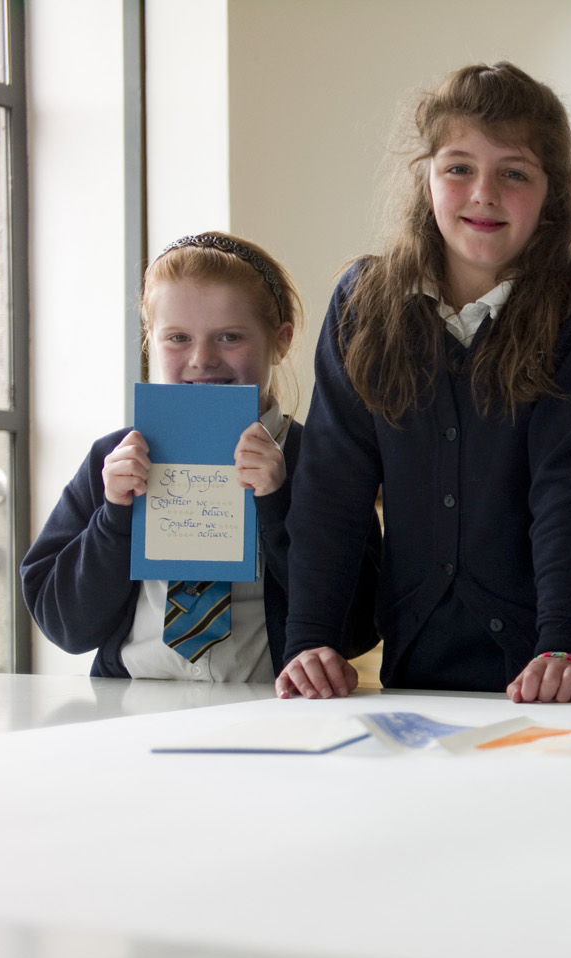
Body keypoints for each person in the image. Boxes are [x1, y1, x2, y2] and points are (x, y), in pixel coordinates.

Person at [277, 62, 571, 703]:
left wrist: (563, 641)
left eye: (515, 173)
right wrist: (311, 640)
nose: (484, 193)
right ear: (426, 177)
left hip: (564, 669)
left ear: (551, 191)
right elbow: (334, 488)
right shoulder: (364, 302)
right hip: (419, 666)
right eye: (459, 168)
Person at [21, 232, 374, 681]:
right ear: (151, 341)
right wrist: (114, 518)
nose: (202, 358)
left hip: (269, 708)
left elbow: (362, 624)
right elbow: (63, 625)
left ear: (281, 341)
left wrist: (278, 505)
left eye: (229, 337)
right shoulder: (112, 460)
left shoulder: (324, 461)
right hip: (132, 701)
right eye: (178, 338)